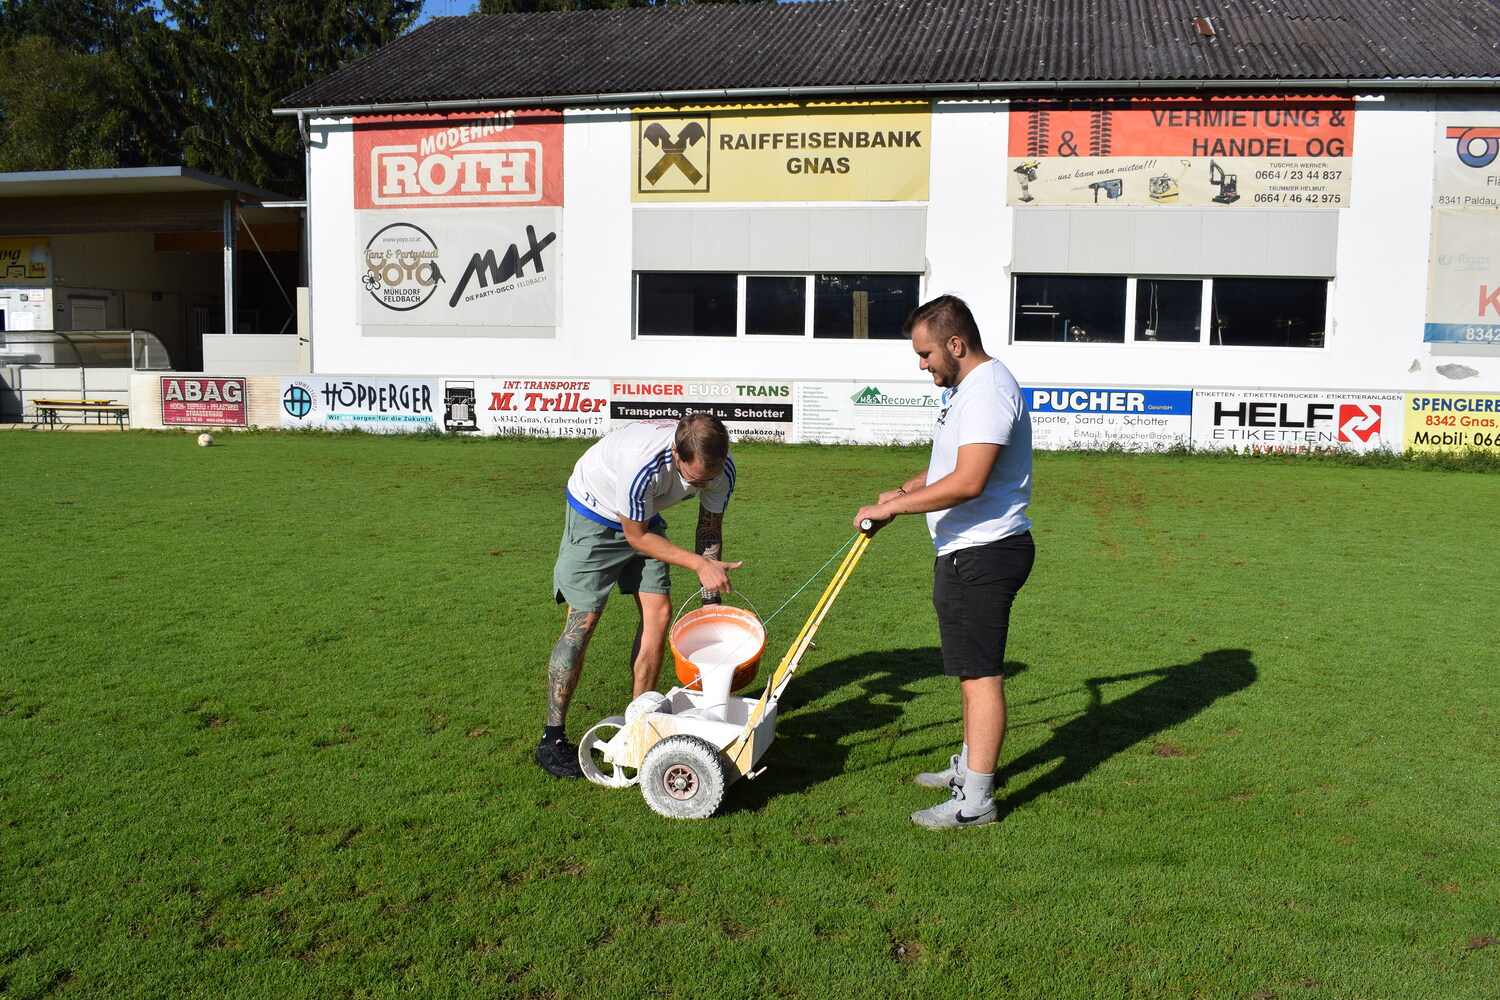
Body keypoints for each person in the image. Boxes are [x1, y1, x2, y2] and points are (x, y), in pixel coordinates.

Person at [853, 295, 1035, 829]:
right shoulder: (967, 390)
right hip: (966, 550)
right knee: (968, 672)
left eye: (926, 353)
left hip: (983, 552)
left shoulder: (988, 392)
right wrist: (903, 492)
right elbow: (949, 466)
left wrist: (896, 508)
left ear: (955, 344)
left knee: (980, 676)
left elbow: (969, 481)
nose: (921, 364)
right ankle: (970, 768)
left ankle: (976, 802)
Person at [537, 413, 741, 778]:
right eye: (695, 479)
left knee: (659, 614)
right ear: (676, 453)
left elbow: (709, 528)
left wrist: (710, 600)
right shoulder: (641, 461)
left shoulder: (720, 469)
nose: (703, 485)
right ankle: (551, 740)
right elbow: (636, 537)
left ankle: (638, 723)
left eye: (708, 479)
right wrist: (699, 564)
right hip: (595, 513)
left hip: (645, 516)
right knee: (583, 621)